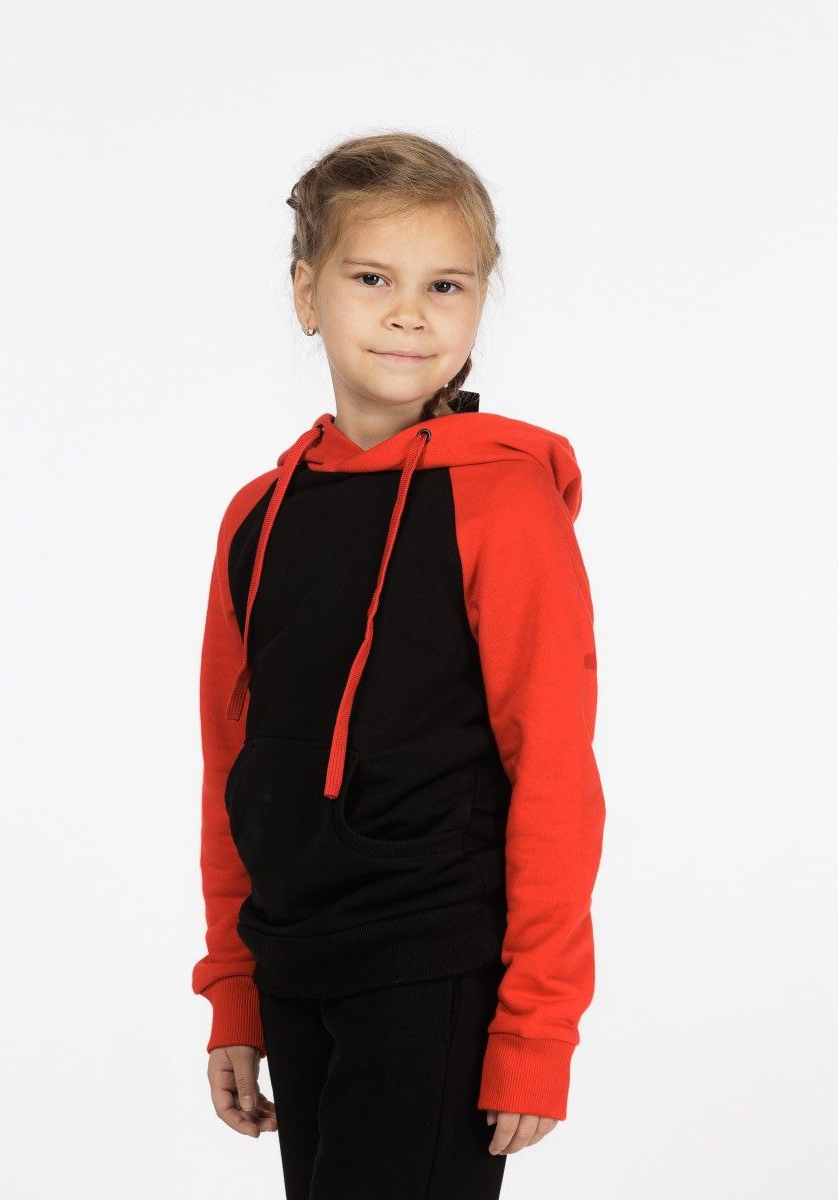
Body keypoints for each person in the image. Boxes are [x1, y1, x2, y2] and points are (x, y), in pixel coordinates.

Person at [191, 131, 606, 1200]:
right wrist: (234, 988)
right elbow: (235, 770)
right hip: (295, 965)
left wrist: (537, 1027)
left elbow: (554, 771)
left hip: (433, 968)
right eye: (372, 278)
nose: (409, 313)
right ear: (306, 292)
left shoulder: (503, 504)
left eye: (445, 285)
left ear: (478, 304)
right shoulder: (257, 517)